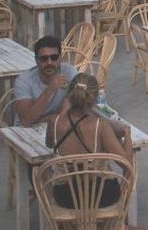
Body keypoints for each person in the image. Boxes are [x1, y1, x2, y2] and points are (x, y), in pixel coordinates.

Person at [45, 73, 133, 209]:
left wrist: (64, 109)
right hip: (100, 195)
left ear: (69, 96)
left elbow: (50, 144)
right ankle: (114, 223)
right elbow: (126, 164)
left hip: (65, 197)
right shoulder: (100, 125)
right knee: (128, 172)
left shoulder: (54, 122)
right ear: (95, 99)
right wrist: (126, 133)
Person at [14, 35, 79, 126]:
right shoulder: (24, 80)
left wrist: (50, 119)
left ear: (60, 58)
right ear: (36, 60)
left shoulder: (69, 72)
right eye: (44, 58)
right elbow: (26, 121)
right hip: (27, 130)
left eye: (54, 57)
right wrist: (49, 90)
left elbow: (75, 108)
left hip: (56, 125)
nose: (49, 62)